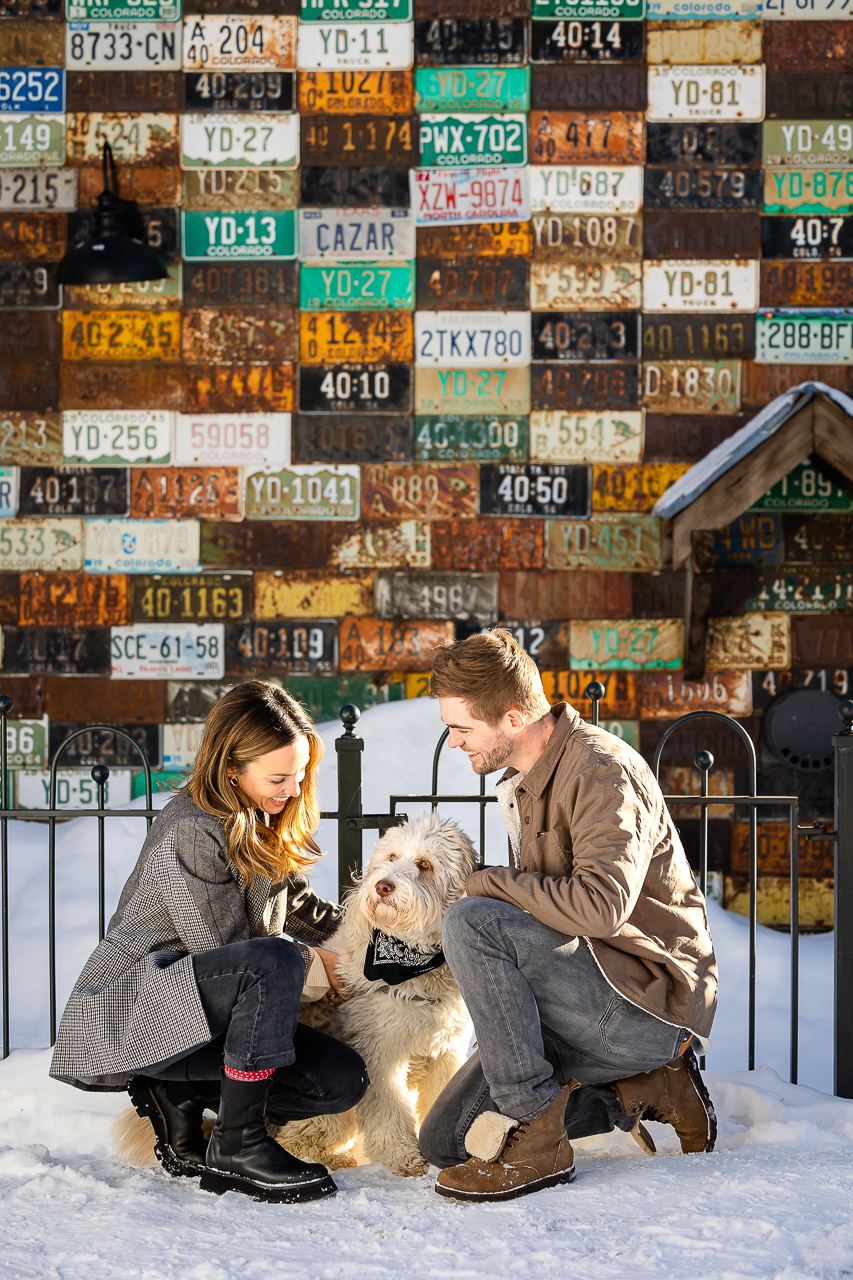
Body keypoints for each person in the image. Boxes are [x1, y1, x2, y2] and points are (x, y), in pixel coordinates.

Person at [418, 630, 718, 1203]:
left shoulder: (601, 772)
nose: (453, 743)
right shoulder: (526, 782)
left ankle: (539, 1140)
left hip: (641, 1006)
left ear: (511, 718)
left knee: (472, 919)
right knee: (446, 1141)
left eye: (461, 729)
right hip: (580, 997)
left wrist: (487, 883)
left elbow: (600, 908)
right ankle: (640, 1091)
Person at [50, 681, 368, 1204]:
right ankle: (238, 1147)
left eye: (300, 774)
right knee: (277, 960)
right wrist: (323, 969)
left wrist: (376, 946)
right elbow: (227, 949)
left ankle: (173, 1092)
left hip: (202, 1013)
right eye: (279, 777)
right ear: (231, 770)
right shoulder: (192, 830)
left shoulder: (263, 816)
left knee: (339, 1080)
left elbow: (306, 912)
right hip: (135, 1007)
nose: (292, 788)